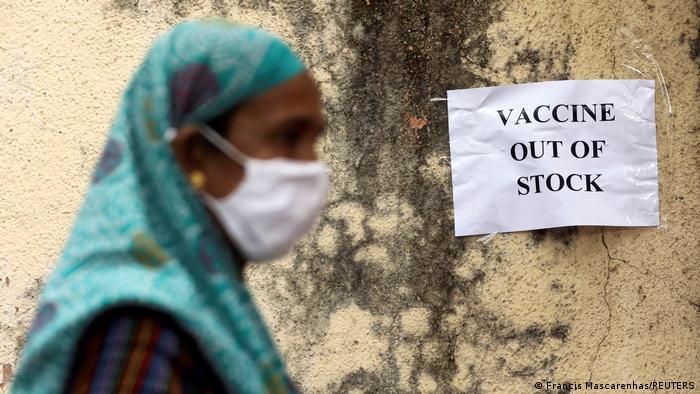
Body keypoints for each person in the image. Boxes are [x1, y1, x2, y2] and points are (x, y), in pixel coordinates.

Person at [11, 17, 329, 394]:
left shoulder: (203, 306)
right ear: (193, 154)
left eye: (315, 140)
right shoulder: (138, 335)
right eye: (288, 137)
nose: (312, 167)